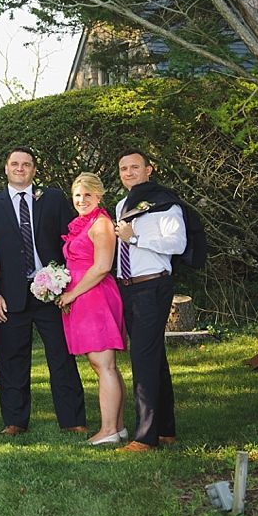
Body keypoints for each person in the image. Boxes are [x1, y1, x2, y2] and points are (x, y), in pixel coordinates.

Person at [0, 147, 87, 436]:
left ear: (34, 170)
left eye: (26, 164)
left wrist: (67, 283)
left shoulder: (52, 199)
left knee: (61, 356)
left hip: (51, 291)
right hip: (10, 295)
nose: (20, 168)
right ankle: (15, 421)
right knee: (11, 359)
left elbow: (69, 241)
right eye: (15, 164)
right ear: (6, 168)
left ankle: (72, 419)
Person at [113, 149, 188, 452]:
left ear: (149, 170)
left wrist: (135, 238)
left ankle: (145, 437)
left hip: (152, 286)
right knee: (154, 358)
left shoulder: (164, 204)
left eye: (134, 167)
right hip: (128, 287)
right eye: (123, 169)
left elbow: (178, 244)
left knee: (143, 360)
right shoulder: (121, 204)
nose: (129, 173)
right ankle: (166, 429)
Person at [55, 173, 127, 445]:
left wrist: (72, 293)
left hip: (95, 296)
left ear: (99, 196)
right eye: (77, 195)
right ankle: (117, 427)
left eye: (87, 195)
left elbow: (102, 266)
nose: (82, 200)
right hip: (83, 297)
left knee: (103, 363)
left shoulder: (101, 224)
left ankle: (108, 429)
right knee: (102, 365)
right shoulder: (82, 224)